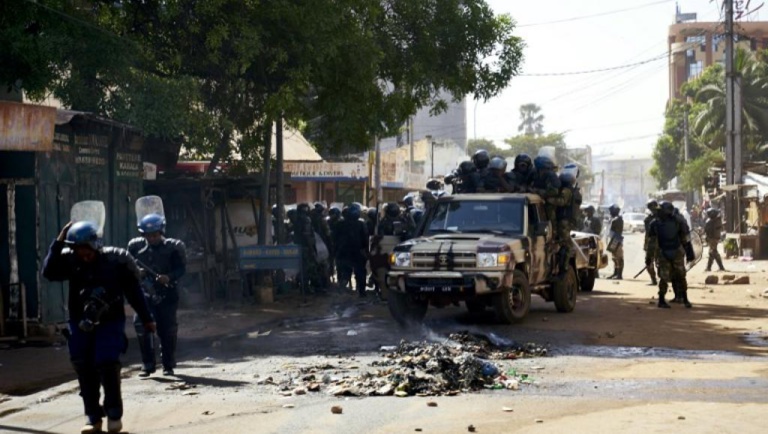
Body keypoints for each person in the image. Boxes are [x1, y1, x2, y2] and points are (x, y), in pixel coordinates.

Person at [43, 221, 156, 434]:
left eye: (87, 250)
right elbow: (49, 272)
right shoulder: (71, 261)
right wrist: (58, 241)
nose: (84, 255)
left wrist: (147, 318)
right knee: (83, 365)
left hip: (110, 321)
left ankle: (114, 414)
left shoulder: (116, 261)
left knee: (106, 362)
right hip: (80, 322)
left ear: (95, 245)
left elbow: (134, 292)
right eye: (79, 250)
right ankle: (93, 418)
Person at [127, 213, 186, 377]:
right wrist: (138, 272)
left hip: (167, 294)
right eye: (148, 235)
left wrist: (169, 277)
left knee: (167, 329)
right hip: (145, 293)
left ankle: (168, 365)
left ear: (161, 232)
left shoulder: (173, 247)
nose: (152, 238)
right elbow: (128, 266)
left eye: (155, 235)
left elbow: (181, 269)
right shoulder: (135, 247)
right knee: (142, 325)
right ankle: (147, 364)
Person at [648, 201, 695, 308]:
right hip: (663, 252)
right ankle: (661, 299)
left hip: (676, 251)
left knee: (681, 275)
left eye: (661, 210)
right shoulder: (654, 223)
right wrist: (649, 257)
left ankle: (685, 298)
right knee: (663, 277)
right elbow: (651, 242)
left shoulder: (679, 222)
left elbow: (685, 238)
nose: (659, 212)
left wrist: (689, 252)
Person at [334, 204, 370, 297]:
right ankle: (361, 291)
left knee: (345, 272)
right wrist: (366, 250)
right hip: (357, 252)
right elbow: (365, 239)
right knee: (360, 272)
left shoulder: (339, 224)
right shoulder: (361, 224)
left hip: (343, 252)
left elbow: (334, 238)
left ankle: (342, 290)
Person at [643, 200, 660, 286]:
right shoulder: (663, 217)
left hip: (653, 244)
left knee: (650, 262)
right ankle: (657, 279)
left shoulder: (648, 219)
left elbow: (648, 232)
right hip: (658, 244)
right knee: (659, 262)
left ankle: (655, 279)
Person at [704, 207, 726, 272]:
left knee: (713, 252)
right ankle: (710, 267)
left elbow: (707, 231)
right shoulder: (717, 220)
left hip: (712, 239)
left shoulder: (710, 221)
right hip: (715, 238)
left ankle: (711, 267)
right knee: (713, 252)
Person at [606, 204, 624, 280]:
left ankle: (619, 274)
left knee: (619, 257)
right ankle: (615, 273)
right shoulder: (613, 218)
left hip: (616, 239)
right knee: (614, 258)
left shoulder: (618, 219)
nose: (610, 212)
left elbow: (617, 231)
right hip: (613, 239)